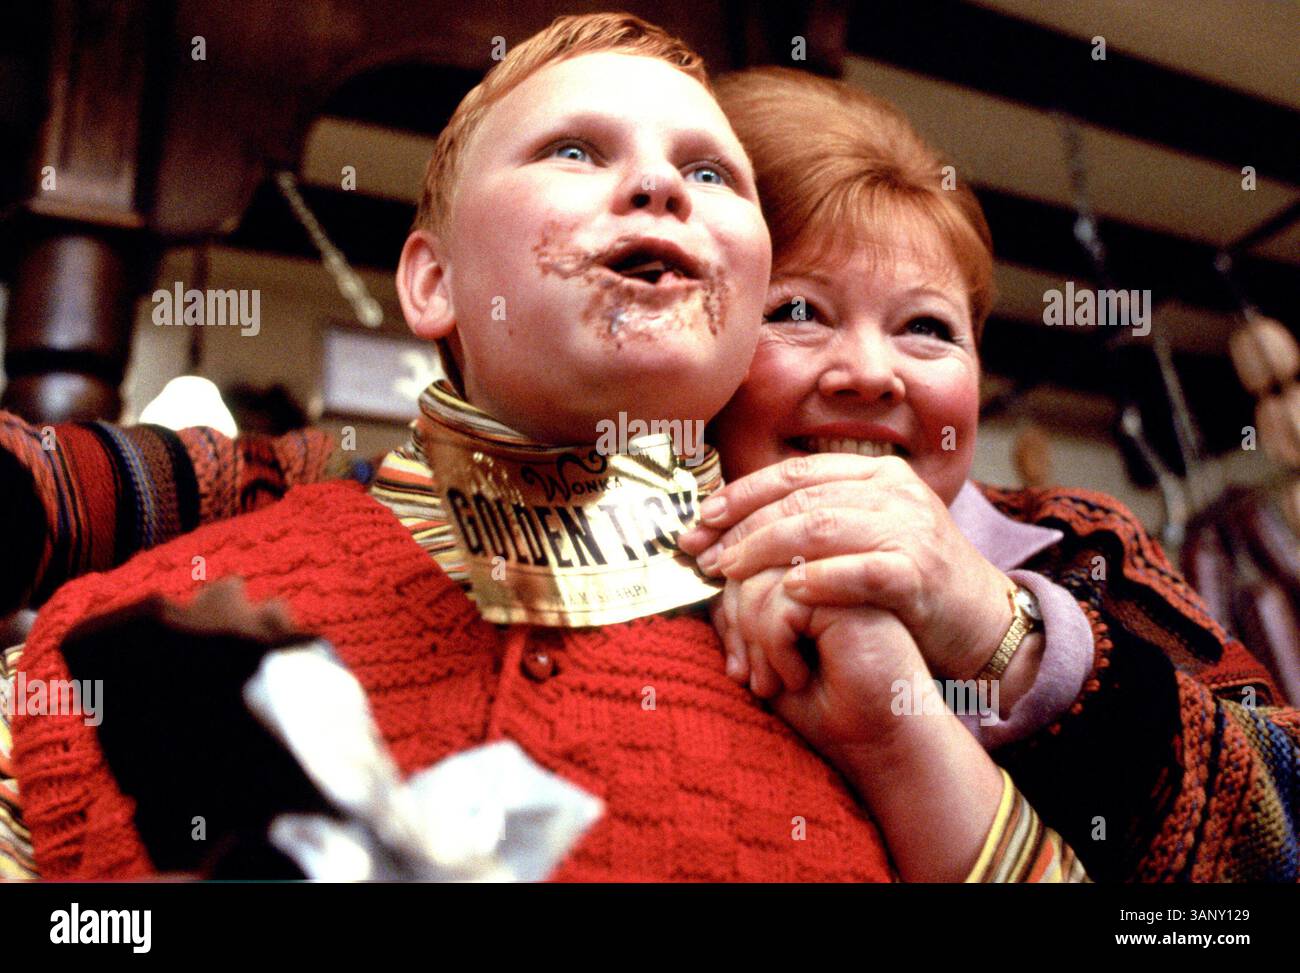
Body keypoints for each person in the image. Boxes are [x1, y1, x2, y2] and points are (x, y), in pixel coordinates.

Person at [2, 14, 1083, 882]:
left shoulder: (863, 674)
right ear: (432, 281)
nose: (661, 187)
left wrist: (910, 737)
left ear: (745, 293)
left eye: (712, 175)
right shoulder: (143, 615)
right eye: (574, 151)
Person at [679, 66, 1299, 882]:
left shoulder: (1081, 542)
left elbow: (1283, 835)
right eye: (796, 310)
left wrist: (1000, 633)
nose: (870, 372)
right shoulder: (605, 565)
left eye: (927, 327)